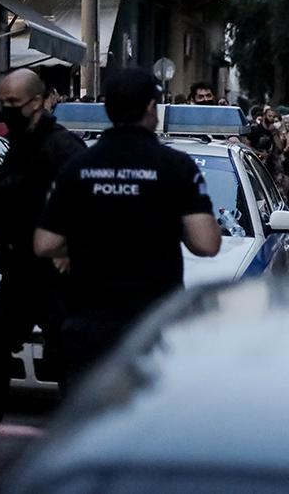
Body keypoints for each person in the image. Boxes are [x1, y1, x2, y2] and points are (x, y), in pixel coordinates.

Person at [33, 68, 220, 389]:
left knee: (90, 415)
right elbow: (206, 243)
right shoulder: (177, 167)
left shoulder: (79, 166)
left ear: (109, 109)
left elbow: (45, 244)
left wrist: (90, 239)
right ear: (151, 108)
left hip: (89, 322)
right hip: (153, 324)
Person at [0, 70, 85, 475]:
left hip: (56, 277)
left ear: (40, 101)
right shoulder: (17, 145)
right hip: (19, 271)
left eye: (14, 103)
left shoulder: (63, 147)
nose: (7, 110)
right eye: (3, 102)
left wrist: (69, 249)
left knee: (67, 363)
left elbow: (87, 205)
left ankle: (78, 456)